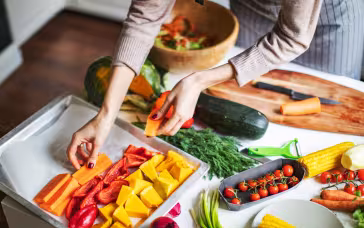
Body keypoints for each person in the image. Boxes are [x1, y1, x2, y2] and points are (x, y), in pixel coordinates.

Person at [67, 0, 364, 170]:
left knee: (332, 94)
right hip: (252, 7)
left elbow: (292, 37)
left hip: (330, 15)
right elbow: (145, 17)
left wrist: (199, 80)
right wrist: (105, 116)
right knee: (250, 74)